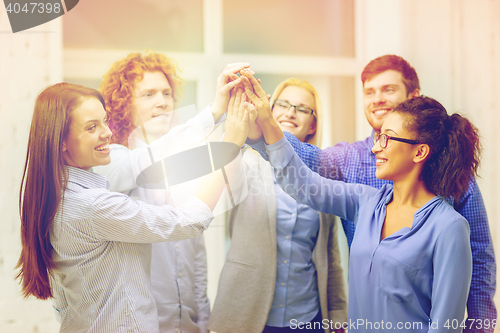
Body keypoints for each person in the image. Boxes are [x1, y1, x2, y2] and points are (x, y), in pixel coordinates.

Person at [246, 55, 496, 331]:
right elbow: (300, 181)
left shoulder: (449, 226)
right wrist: (265, 125)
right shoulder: (365, 201)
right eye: (379, 138)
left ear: (420, 151)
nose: (376, 147)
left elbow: (447, 323)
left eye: (386, 138)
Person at [15, 83, 249, 332]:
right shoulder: (94, 204)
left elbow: (63, 305)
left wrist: (215, 111)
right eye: (92, 127)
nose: (106, 132)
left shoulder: (55, 198)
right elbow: (191, 220)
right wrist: (229, 148)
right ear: (60, 140)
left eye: (104, 121)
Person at [93, 52, 249, 333]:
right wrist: (215, 112)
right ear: (122, 105)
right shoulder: (114, 164)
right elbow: (153, 159)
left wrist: (202, 322)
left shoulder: (181, 168)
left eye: (166, 93)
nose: (162, 102)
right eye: (148, 94)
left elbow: (196, 258)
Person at [208, 79, 347, 333]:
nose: (290, 112)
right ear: (270, 112)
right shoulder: (247, 163)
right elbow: (215, 181)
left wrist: (338, 317)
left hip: (308, 318)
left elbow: (331, 256)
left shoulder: (323, 177)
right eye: (283, 104)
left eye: (302, 108)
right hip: (247, 315)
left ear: (313, 124)